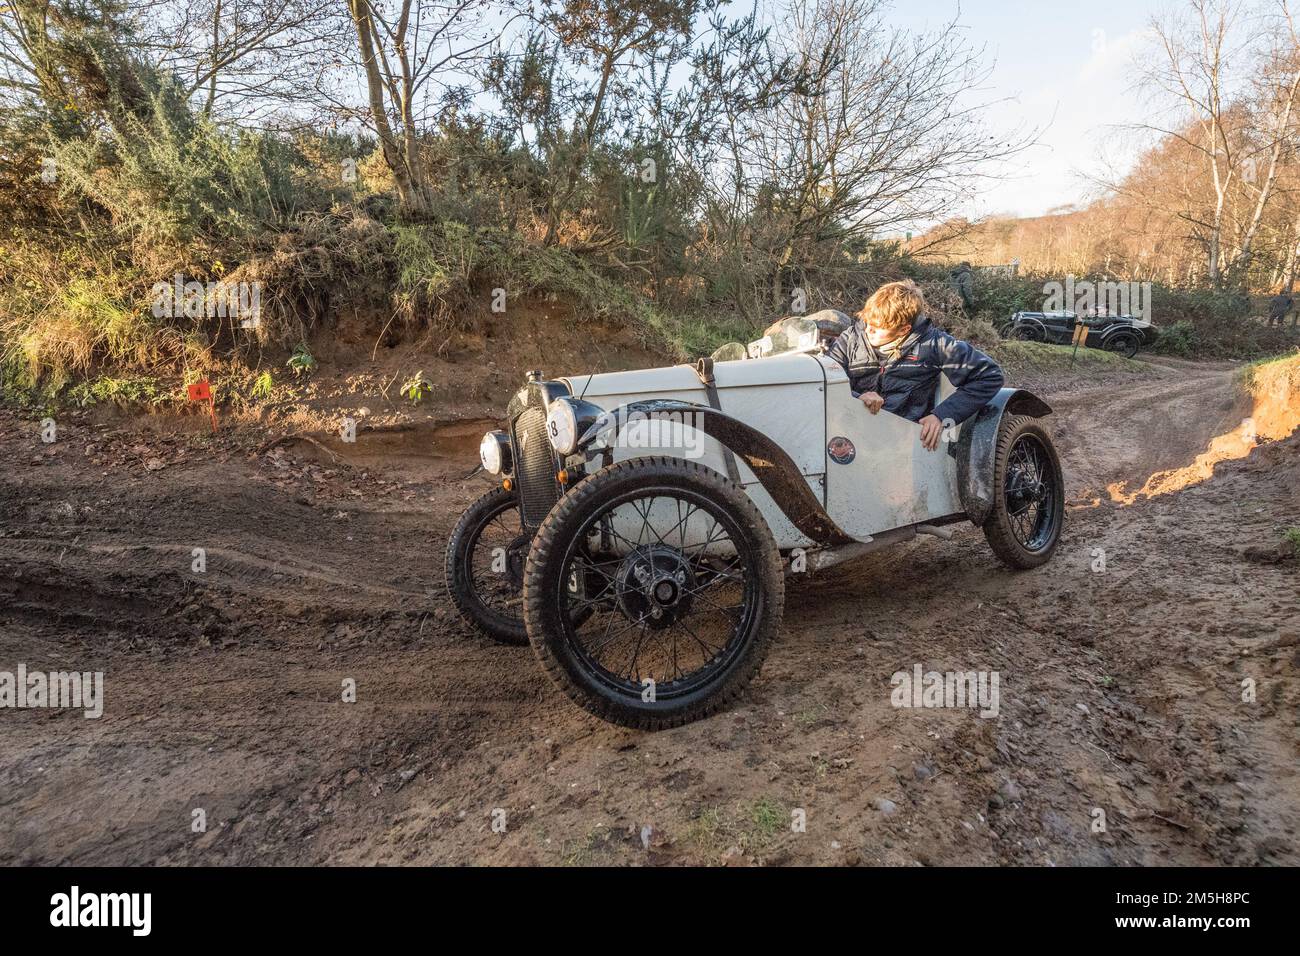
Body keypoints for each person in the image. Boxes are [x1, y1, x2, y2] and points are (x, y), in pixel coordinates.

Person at [827, 279, 1004, 451]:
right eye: (868, 321)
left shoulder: (936, 343)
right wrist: (858, 397)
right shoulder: (848, 339)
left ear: (904, 329)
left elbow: (990, 376)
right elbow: (825, 383)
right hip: (850, 432)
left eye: (877, 327)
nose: (868, 330)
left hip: (905, 440)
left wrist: (941, 415)